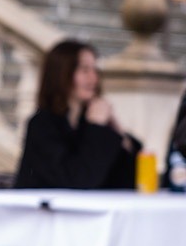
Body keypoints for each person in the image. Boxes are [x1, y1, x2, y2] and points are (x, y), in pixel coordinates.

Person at [14, 39, 141, 189]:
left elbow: (130, 178)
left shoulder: (87, 123)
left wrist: (117, 130)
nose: (93, 78)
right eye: (84, 70)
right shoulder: (42, 125)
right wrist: (97, 128)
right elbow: (76, 180)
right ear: (62, 73)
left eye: (95, 70)